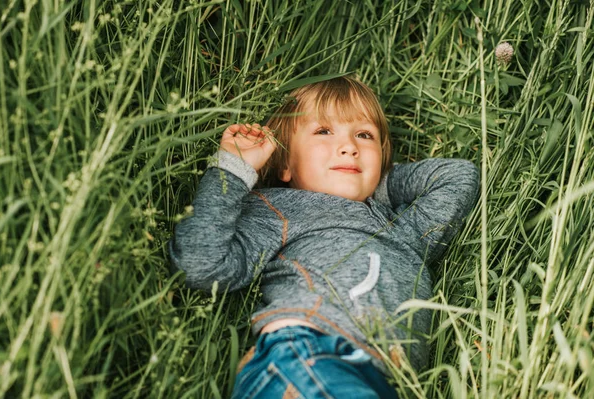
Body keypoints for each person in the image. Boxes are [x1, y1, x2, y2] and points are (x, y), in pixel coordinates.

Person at [169, 75, 479, 398]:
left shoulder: (403, 231)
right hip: (308, 352)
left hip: (383, 381)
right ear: (285, 164)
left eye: (364, 135)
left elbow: (459, 178)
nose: (349, 147)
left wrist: (378, 183)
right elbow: (200, 264)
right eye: (323, 131)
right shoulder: (280, 209)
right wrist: (233, 170)